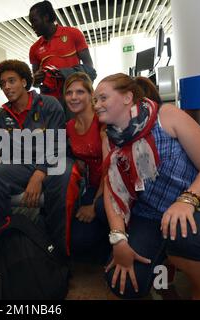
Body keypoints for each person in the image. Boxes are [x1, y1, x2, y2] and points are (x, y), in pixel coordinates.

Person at [94, 73, 200, 299]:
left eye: (102, 98)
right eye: (95, 100)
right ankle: (165, 262)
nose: (97, 105)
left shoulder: (166, 116)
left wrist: (186, 201)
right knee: (123, 284)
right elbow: (112, 192)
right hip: (151, 214)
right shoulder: (108, 139)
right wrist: (118, 240)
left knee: (184, 235)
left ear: (127, 97)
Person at [0, 59, 80, 261]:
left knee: (62, 176)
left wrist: (39, 173)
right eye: (3, 83)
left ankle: (59, 252)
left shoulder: (49, 104)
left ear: (24, 81)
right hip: (21, 163)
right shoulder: (4, 114)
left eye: (11, 81)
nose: (7, 87)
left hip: (54, 158)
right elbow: (5, 146)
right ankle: (6, 241)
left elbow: (57, 144)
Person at [63, 72, 109, 261]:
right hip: (91, 186)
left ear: (91, 95)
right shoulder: (69, 126)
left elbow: (111, 168)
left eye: (80, 92)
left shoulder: (103, 122)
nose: (73, 97)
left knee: (98, 217)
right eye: (69, 93)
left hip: (113, 186)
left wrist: (93, 205)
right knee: (77, 241)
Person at [28, 0, 94, 102]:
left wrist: (85, 91)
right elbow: (35, 83)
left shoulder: (73, 34)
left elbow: (89, 67)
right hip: (51, 102)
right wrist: (36, 80)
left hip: (74, 96)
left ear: (46, 17)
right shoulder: (34, 49)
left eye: (34, 21)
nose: (32, 26)